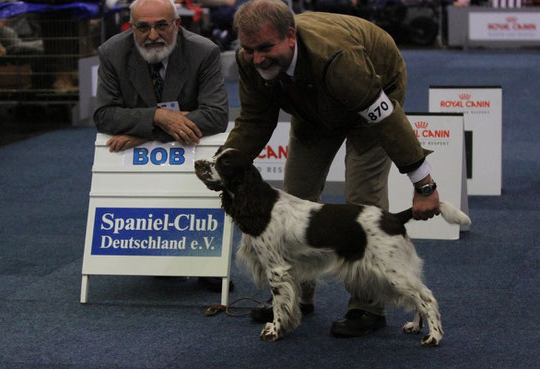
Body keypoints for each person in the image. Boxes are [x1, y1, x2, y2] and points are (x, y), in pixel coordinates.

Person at [222, 0, 441, 337]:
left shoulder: (338, 58)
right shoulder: (249, 59)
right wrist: (223, 163)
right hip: (310, 105)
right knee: (294, 199)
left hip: (370, 92)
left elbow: (385, 118)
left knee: (362, 201)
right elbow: (253, 120)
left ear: (290, 36)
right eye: (249, 50)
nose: (257, 58)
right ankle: (293, 298)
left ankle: (366, 306)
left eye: (266, 48)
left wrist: (424, 184)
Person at [94, 0, 230, 292]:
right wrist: (160, 117)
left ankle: (209, 266)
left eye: (161, 25)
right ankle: (158, 258)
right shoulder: (112, 52)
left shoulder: (204, 51)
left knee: (199, 205)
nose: (152, 35)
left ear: (177, 25)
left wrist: (147, 132)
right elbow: (104, 115)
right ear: (131, 28)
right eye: (142, 27)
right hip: (149, 158)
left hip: (195, 149)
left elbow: (217, 116)